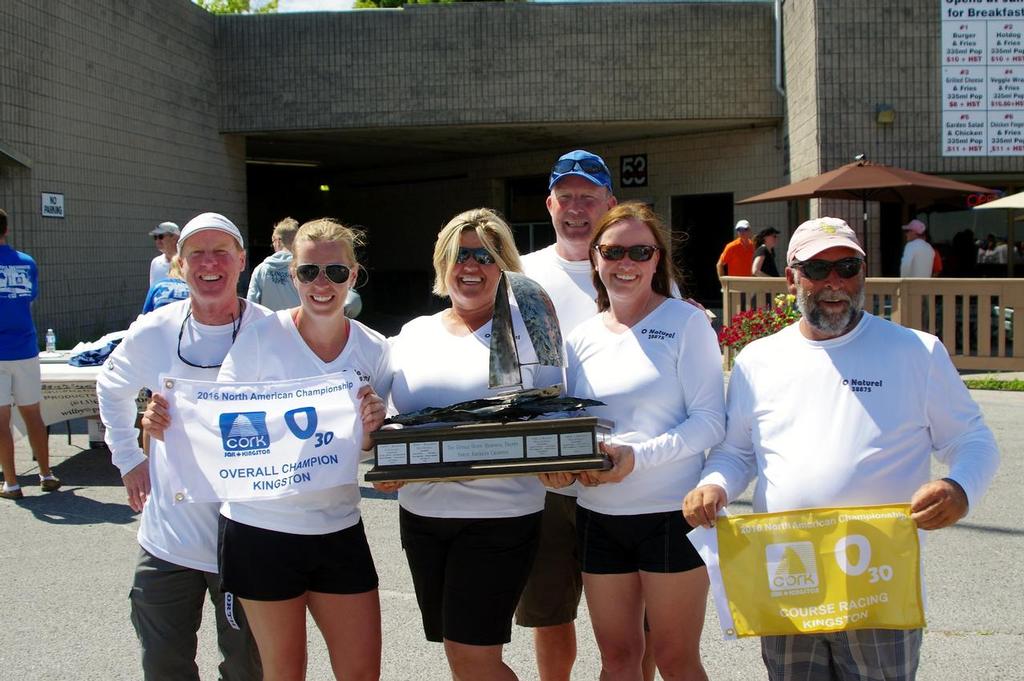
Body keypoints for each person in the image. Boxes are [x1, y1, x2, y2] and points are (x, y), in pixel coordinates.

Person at [684, 217, 1000, 681]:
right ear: (791, 277)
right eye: (817, 269)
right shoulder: (758, 360)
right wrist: (713, 484)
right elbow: (738, 452)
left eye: (847, 266)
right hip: (789, 577)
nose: (834, 282)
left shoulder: (916, 351)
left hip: (879, 585)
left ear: (863, 273)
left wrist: (958, 488)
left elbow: (973, 439)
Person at [148, 218, 390, 680]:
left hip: (338, 527)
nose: (322, 284)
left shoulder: (374, 350)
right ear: (291, 274)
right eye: (308, 272)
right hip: (260, 532)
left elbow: (370, 451)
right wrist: (164, 423)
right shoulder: (258, 338)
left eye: (336, 273)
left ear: (354, 276)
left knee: (361, 673)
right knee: (283, 673)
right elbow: (221, 427)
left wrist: (369, 431)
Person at [382, 208, 560, 681]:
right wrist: (385, 457)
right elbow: (385, 418)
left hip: (499, 518)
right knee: (460, 657)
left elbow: (553, 419)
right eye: (461, 255)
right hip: (422, 518)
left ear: (504, 265)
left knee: (473, 656)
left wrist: (560, 460)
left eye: (486, 255)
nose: (471, 266)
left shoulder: (531, 334)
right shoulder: (413, 334)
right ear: (443, 262)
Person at [97, 212, 266, 681]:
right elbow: (110, 386)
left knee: (249, 666)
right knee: (164, 662)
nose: (209, 264)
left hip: (248, 537)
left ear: (241, 261)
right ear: (180, 264)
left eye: (221, 252)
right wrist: (129, 457)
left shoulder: (272, 330)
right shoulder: (155, 329)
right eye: (196, 254)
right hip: (169, 538)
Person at [561, 202, 725, 681]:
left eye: (640, 251)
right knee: (617, 660)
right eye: (613, 251)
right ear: (595, 259)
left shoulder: (687, 323)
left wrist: (640, 457)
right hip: (598, 516)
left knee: (676, 660)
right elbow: (571, 423)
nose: (625, 263)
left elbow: (710, 421)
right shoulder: (582, 337)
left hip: (670, 517)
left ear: (657, 260)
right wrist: (560, 468)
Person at [517, 149, 617, 681]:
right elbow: (501, 373)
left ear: (610, 203)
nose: (577, 208)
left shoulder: (638, 263)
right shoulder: (520, 275)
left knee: (627, 622)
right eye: (567, 196)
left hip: (622, 473)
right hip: (547, 478)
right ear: (549, 203)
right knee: (550, 614)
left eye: (589, 196)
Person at [0, 208, 61, 500]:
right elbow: (30, 296)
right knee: (32, 413)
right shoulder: (27, 262)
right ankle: (46, 473)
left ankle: (11, 483)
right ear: (6, 230)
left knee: (1, 419)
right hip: (25, 347)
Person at [247, 217, 300, 312]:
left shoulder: (260, 269)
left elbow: (251, 305)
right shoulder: (305, 268)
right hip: (298, 325)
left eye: (273, 242)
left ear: (278, 241)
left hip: (268, 325)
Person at [149, 221, 180, 287]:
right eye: (155, 237)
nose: (157, 241)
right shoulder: (155, 262)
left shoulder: (187, 262)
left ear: (174, 238)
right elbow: (153, 290)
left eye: (161, 236)